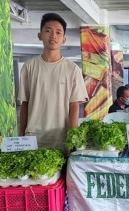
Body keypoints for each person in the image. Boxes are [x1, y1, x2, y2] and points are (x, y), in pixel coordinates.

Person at [18, 13, 89, 150]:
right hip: (33, 137)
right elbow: (25, 104)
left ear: (64, 39)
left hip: (60, 137)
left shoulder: (72, 69)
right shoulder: (29, 67)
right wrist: (21, 133)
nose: (53, 36)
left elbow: (74, 106)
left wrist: (71, 138)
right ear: (40, 36)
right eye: (48, 31)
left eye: (58, 32)